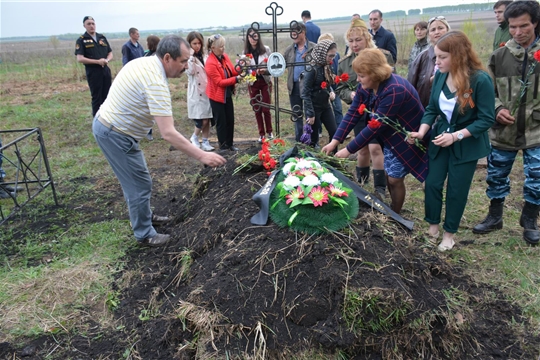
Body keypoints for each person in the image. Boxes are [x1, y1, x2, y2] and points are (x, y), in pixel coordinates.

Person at [92, 35, 226, 247]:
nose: (186, 66)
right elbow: (168, 133)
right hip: (114, 133)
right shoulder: (155, 82)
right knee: (137, 185)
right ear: (166, 58)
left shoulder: (145, 62)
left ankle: (145, 217)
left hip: (117, 129)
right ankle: (145, 234)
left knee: (141, 180)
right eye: (182, 61)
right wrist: (203, 155)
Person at [408, 31, 495, 251]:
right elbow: (431, 108)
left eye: (442, 57)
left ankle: (449, 234)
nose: (436, 62)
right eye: (436, 56)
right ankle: (433, 228)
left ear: (458, 55)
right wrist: (421, 131)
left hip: (465, 144)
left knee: (456, 189)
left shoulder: (479, 80)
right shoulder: (440, 76)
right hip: (440, 139)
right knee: (433, 183)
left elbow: (486, 119)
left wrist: (456, 136)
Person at [322, 49, 427, 214]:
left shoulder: (394, 90)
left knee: (395, 178)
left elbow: (374, 127)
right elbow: (353, 112)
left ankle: (396, 213)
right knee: (390, 174)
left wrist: (348, 150)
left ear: (375, 73)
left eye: (361, 75)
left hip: (409, 137)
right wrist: (335, 141)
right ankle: (394, 210)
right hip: (391, 137)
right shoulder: (368, 86)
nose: (358, 79)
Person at [473, 1, 540, 245]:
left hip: (537, 129)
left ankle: (530, 218)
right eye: (513, 27)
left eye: (524, 26)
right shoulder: (499, 56)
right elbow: (486, 90)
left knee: (537, 175)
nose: (518, 32)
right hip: (504, 130)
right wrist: (497, 108)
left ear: (535, 22)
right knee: (496, 174)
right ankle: (495, 216)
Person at [335, 19, 393, 198]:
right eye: (350, 41)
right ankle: (361, 184)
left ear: (367, 38)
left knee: (376, 148)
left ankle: (380, 189)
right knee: (362, 148)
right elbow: (340, 88)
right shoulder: (344, 63)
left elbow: (390, 82)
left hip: (379, 110)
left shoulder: (382, 56)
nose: (354, 44)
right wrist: (350, 95)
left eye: (358, 40)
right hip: (359, 110)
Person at [205, 34, 241, 151]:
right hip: (216, 97)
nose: (223, 48)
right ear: (212, 48)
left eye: (224, 46)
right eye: (220, 46)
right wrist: (236, 79)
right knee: (221, 122)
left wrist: (242, 67)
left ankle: (230, 144)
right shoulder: (210, 63)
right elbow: (219, 82)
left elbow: (232, 71)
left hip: (227, 94)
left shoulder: (224, 57)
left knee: (230, 120)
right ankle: (223, 146)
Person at [407, 16, 451, 108]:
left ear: (448, 30)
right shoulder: (422, 57)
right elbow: (411, 86)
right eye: (433, 30)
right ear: (428, 35)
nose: (437, 32)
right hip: (427, 108)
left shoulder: (459, 55)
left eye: (440, 28)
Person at [284, 23, 317, 142]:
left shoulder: (313, 48)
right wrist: (265, 70)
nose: (293, 36)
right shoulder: (289, 50)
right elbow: (280, 65)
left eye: (295, 33)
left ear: (303, 33)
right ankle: (299, 141)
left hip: (309, 87)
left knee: (310, 113)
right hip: (294, 86)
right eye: (292, 34)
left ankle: (312, 141)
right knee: (297, 114)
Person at [301, 39, 338, 148]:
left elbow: (327, 83)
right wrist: (310, 113)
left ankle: (334, 159)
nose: (331, 59)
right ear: (323, 53)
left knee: (334, 132)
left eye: (333, 57)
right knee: (313, 139)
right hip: (314, 107)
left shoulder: (325, 67)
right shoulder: (311, 69)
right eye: (330, 56)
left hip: (325, 106)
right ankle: (313, 162)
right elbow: (305, 93)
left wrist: (331, 91)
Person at [75, 16, 113, 116]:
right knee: (97, 97)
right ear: (84, 26)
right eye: (89, 24)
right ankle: (97, 119)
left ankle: (107, 117)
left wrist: (106, 60)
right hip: (93, 72)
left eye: (93, 23)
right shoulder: (82, 40)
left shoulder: (102, 38)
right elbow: (80, 58)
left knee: (108, 95)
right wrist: (97, 62)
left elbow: (110, 53)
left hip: (105, 70)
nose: (91, 26)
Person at [243, 28, 273, 142]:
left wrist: (264, 70)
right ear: (247, 38)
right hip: (253, 82)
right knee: (257, 108)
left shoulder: (265, 49)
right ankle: (261, 134)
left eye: (255, 36)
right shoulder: (245, 52)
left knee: (266, 108)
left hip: (265, 81)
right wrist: (250, 73)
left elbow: (271, 65)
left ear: (258, 36)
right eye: (250, 36)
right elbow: (244, 70)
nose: (252, 38)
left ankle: (270, 132)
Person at [186, 31, 214, 152]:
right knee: (202, 119)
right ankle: (194, 137)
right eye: (194, 43)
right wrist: (191, 56)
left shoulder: (206, 55)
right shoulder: (187, 58)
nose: (197, 46)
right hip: (197, 92)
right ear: (189, 44)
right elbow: (190, 71)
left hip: (208, 90)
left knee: (207, 117)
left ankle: (205, 140)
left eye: (199, 43)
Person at [318, 33, 343, 128]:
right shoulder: (318, 58)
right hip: (324, 84)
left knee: (338, 107)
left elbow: (338, 67)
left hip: (335, 83)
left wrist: (338, 78)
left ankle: (340, 127)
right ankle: (319, 128)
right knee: (321, 108)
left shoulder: (337, 56)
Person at [143, 35, 160, 141]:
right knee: (148, 110)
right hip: (147, 85)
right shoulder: (145, 54)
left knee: (158, 109)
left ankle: (164, 130)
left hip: (157, 85)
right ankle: (148, 132)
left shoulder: (159, 56)